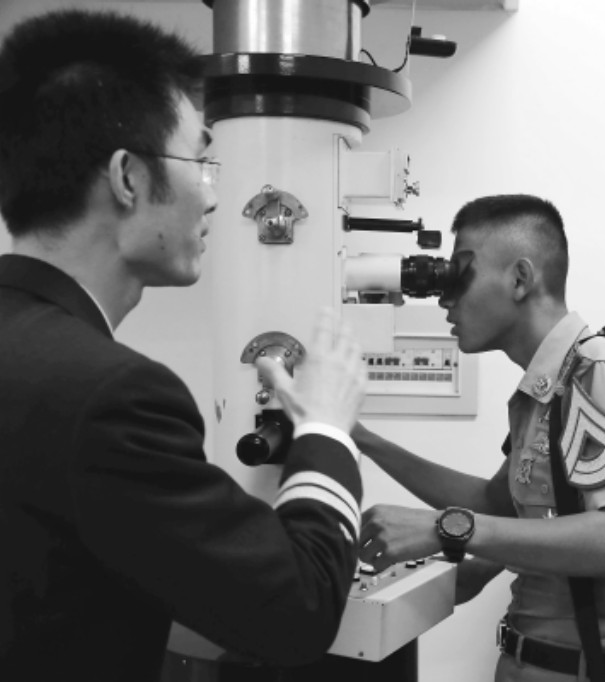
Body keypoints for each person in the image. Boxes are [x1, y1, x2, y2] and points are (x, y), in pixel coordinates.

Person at [0, 10, 367, 680]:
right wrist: (326, 430)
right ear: (129, 178)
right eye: (201, 159)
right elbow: (297, 613)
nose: (214, 196)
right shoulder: (112, 398)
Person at [355, 194, 605, 682]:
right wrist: (362, 439)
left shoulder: (594, 372)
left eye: (460, 275)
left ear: (520, 278)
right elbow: (495, 504)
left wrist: (447, 528)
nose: (445, 298)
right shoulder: (546, 387)